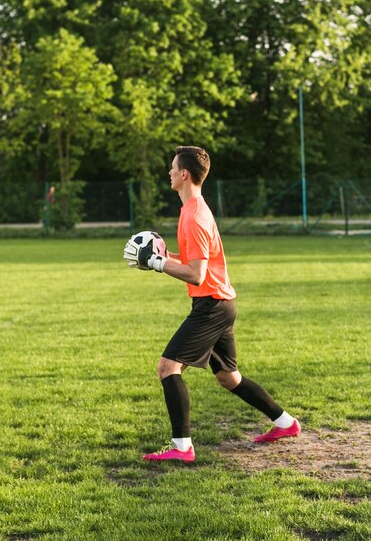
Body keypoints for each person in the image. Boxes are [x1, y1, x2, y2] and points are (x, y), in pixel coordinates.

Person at [123, 146, 300, 463]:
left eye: (173, 167)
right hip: (219, 303)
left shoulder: (195, 217)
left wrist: (158, 263)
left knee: (168, 368)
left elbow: (195, 274)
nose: (170, 172)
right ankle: (286, 423)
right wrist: (159, 259)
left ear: (184, 174)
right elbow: (194, 263)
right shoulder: (191, 209)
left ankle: (182, 448)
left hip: (212, 306)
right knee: (228, 378)